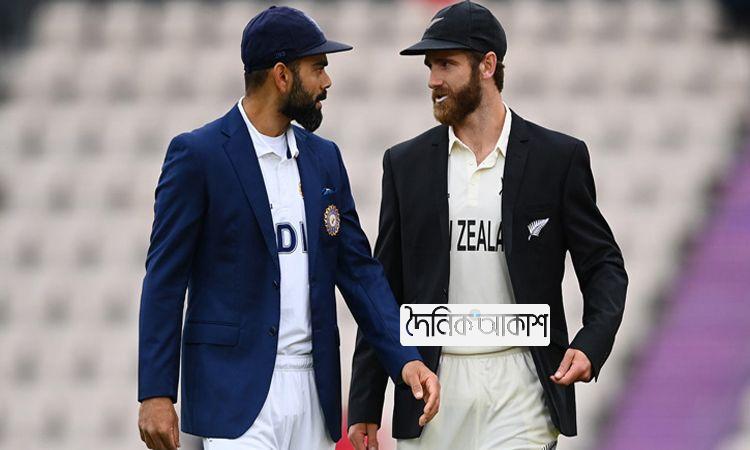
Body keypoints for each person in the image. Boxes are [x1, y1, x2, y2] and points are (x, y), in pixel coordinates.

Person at [136, 6, 440, 450]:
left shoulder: (325, 158)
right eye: (317, 67)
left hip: (314, 392)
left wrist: (405, 358)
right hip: (235, 393)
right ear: (281, 75)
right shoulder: (198, 156)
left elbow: (359, 271)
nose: (326, 81)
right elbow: (165, 277)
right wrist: (156, 392)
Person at [347, 1, 627, 449]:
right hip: (431, 388)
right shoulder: (405, 164)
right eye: (430, 66)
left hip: (521, 383)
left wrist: (593, 341)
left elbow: (604, 265)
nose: (433, 79)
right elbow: (385, 287)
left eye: (446, 64)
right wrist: (365, 402)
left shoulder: (557, 159)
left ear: (488, 66)